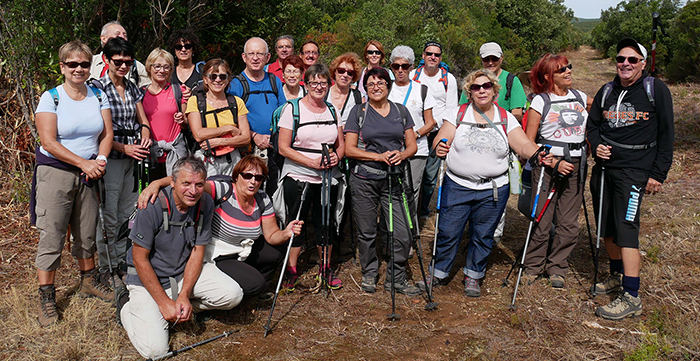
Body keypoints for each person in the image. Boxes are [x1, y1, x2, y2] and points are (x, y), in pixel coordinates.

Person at [424, 69, 549, 298]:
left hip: (493, 188)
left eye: (486, 86)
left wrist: (537, 154)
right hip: (458, 184)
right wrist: (440, 146)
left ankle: (474, 274)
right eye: (475, 87)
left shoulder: (505, 117)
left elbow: (521, 143)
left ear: (494, 90)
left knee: (483, 234)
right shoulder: (458, 113)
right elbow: (440, 140)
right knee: (448, 231)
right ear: (469, 92)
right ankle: (439, 271)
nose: (481, 90)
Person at [119, 156, 243, 359]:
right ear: (172, 182)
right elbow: (139, 258)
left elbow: (198, 251)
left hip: (180, 274)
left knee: (233, 295)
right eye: (186, 184)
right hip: (147, 280)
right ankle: (126, 306)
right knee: (156, 352)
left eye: (199, 184)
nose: (193, 191)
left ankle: (176, 307)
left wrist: (184, 294)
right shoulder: (152, 205)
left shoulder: (205, 203)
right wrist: (162, 301)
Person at [587, 38, 674, 320]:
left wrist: (658, 174)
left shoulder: (655, 90)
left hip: (635, 171)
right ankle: (615, 275)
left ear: (643, 64)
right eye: (621, 59)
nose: (625, 64)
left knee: (626, 228)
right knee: (608, 226)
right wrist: (596, 143)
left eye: (632, 60)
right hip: (604, 169)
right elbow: (593, 125)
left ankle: (632, 296)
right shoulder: (607, 90)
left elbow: (666, 134)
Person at [32, 40, 115, 326]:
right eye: (72, 64)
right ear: (62, 67)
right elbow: (49, 142)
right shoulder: (51, 98)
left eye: (84, 64)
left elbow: (107, 133)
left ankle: (88, 281)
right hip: (57, 173)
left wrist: (101, 160)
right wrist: (83, 164)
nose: (78, 69)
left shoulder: (98, 95)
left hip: (90, 173)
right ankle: (46, 296)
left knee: (86, 231)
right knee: (52, 234)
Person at [138, 155, 303, 298]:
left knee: (276, 250)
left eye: (259, 178)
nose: (253, 181)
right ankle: (239, 289)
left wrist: (286, 233)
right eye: (247, 175)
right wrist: (157, 183)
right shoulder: (223, 189)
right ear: (236, 177)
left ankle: (250, 285)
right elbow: (192, 182)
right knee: (255, 283)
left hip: (243, 248)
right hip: (220, 252)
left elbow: (272, 235)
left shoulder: (262, 199)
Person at [344, 68, 420, 296]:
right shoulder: (358, 112)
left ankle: (396, 277)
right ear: (365, 88)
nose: (376, 87)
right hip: (364, 179)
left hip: (394, 178)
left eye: (381, 83)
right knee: (366, 231)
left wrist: (402, 155)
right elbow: (349, 149)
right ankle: (369, 271)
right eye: (370, 83)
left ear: (388, 85)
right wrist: (377, 157)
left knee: (401, 230)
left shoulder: (401, 111)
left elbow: (412, 145)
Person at [522, 53, 591, 289]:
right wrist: (553, 162)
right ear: (548, 76)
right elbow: (529, 142)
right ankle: (533, 266)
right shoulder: (540, 101)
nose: (568, 72)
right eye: (561, 70)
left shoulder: (580, 97)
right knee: (541, 217)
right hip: (547, 165)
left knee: (568, 221)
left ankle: (557, 267)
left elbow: (606, 110)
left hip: (576, 164)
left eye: (569, 67)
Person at [277, 64, 346, 290]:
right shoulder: (292, 109)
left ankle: (325, 269)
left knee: (324, 222)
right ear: (305, 84)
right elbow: (283, 148)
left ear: (329, 85)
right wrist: (310, 162)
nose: (318, 87)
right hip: (298, 174)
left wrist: (336, 157)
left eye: (323, 83)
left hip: (327, 176)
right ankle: (291, 269)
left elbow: (341, 144)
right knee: (296, 222)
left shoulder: (333, 110)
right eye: (314, 83)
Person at [96, 37, 152, 283]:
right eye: (118, 61)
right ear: (106, 59)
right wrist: (123, 147)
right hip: (112, 159)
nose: (123, 67)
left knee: (127, 213)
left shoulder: (132, 87)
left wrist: (146, 136)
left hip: (133, 160)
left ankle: (121, 261)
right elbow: (98, 130)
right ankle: (106, 266)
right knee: (108, 213)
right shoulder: (96, 88)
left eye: (128, 62)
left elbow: (143, 121)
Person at [465, 42, 529, 244]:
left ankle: (493, 235)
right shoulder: (474, 80)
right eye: (486, 59)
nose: (490, 62)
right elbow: (462, 109)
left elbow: (518, 111)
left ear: (501, 58)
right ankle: (473, 230)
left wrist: (495, 121)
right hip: (473, 142)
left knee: (497, 190)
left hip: (502, 141)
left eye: (494, 58)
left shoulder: (512, 81)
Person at [228, 37, 286, 195]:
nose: (255, 58)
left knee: (273, 192)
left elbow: (284, 113)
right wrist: (254, 135)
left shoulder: (275, 81)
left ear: (267, 58)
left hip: (274, 148)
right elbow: (232, 119)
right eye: (251, 53)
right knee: (248, 192)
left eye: (260, 54)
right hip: (248, 150)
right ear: (243, 57)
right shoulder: (236, 84)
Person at [409, 41, 458, 224]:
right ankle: (409, 208)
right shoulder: (413, 75)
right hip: (413, 132)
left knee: (430, 176)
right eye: (429, 53)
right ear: (423, 55)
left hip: (436, 132)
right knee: (411, 173)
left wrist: (438, 129)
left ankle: (422, 209)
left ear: (441, 58)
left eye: (437, 55)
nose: (433, 57)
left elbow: (451, 108)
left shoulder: (448, 79)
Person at [387, 45, 437, 213]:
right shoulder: (385, 89)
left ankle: (409, 230)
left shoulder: (421, 90)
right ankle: (390, 228)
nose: (400, 70)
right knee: (391, 191)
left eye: (405, 66)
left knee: (411, 191)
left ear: (411, 67)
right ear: (391, 67)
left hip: (417, 150)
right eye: (396, 66)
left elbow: (430, 122)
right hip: (390, 148)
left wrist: (414, 135)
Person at [187, 59, 250, 176]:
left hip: (233, 158)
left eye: (222, 76)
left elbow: (246, 138)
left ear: (227, 80)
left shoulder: (236, 102)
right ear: (205, 79)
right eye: (213, 76)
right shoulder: (195, 101)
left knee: (232, 192)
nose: (217, 80)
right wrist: (229, 128)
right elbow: (198, 134)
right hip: (206, 158)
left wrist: (219, 141)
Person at [142, 48, 188, 180]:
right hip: (150, 156)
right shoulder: (141, 93)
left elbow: (186, 124)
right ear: (149, 67)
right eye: (157, 66)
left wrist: (182, 120)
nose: (161, 70)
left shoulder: (178, 90)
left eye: (166, 67)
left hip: (175, 154)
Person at [90, 21, 150, 87]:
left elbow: (149, 88)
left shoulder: (135, 65)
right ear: (103, 38)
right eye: (117, 34)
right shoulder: (90, 62)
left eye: (124, 35)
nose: (122, 37)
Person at [327, 52, 363, 125]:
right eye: (341, 71)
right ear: (334, 71)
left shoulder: (358, 97)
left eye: (350, 73)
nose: (345, 75)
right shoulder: (324, 94)